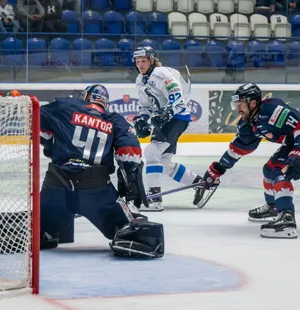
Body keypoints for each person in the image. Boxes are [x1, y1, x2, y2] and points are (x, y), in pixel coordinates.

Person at [39, 84, 164, 258]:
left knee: (36, 229)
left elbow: (36, 123)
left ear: (85, 97)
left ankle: (46, 231)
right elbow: (130, 154)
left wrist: (52, 144)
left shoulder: (66, 106)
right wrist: (131, 191)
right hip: (96, 193)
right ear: (104, 103)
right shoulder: (115, 120)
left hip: (56, 186)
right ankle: (124, 233)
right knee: (133, 231)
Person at [201, 83, 300, 239]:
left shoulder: (273, 112)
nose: (237, 108)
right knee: (269, 170)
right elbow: (239, 147)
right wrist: (218, 169)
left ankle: (287, 220)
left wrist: (298, 153)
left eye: (240, 103)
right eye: (236, 103)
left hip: (298, 144)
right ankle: (274, 207)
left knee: (279, 173)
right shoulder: (249, 123)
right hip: (292, 144)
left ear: (252, 103)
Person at [131, 46, 204, 211]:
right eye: (137, 61)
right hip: (166, 120)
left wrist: (166, 114)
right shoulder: (140, 80)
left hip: (177, 118)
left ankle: (154, 199)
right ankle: (198, 183)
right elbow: (145, 106)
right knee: (162, 162)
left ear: (151, 60)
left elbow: (178, 102)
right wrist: (142, 119)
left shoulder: (162, 74)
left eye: (143, 61)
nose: (140, 64)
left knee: (151, 153)